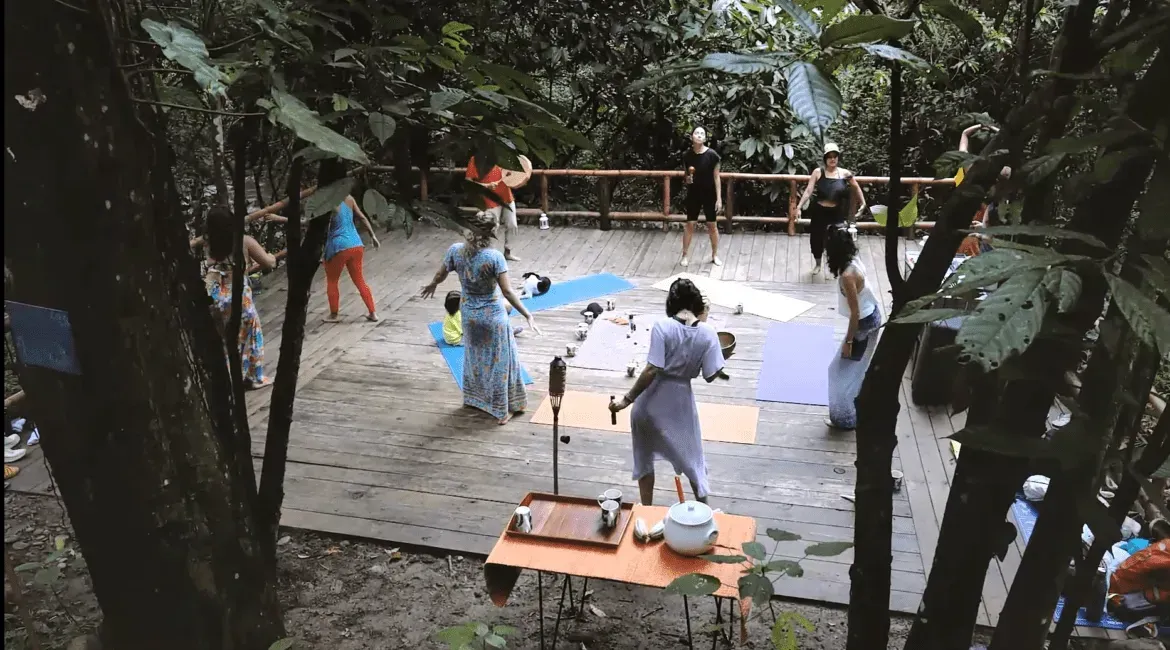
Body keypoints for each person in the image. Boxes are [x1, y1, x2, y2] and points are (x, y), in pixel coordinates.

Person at [608, 278, 724, 505]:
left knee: (644, 459)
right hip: (680, 405)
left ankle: (647, 509)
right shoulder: (708, 333)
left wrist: (626, 400)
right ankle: (704, 511)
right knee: (693, 460)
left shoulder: (663, 327)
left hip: (649, 403)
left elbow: (653, 368)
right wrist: (722, 356)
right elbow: (711, 375)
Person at [421, 212, 541, 425]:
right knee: (500, 362)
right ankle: (503, 410)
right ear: (493, 231)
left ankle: (474, 399)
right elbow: (508, 291)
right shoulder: (494, 257)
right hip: (492, 317)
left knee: (475, 359)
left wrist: (433, 284)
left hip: (469, 314)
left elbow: (441, 274)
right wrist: (527, 313)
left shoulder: (456, 251)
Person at [203, 205, 277, 389]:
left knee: (228, 340)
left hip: (218, 298)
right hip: (239, 296)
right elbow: (268, 263)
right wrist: (271, 256)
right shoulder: (243, 242)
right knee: (252, 335)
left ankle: (229, 379)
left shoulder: (208, 245)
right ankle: (253, 377)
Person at [824, 226, 882, 430]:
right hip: (871, 316)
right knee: (854, 370)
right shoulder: (854, 259)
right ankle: (855, 411)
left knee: (839, 373)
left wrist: (849, 342)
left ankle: (846, 419)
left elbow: (855, 313)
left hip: (864, 325)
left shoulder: (847, 277)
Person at [795, 143, 866, 276]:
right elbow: (809, 190)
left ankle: (837, 267)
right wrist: (799, 207)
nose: (832, 159)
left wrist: (863, 203)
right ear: (825, 158)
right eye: (829, 157)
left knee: (838, 239)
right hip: (820, 211)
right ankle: (817, 264)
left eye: (835, 156)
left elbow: (856, 187)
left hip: (836, 212)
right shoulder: (818, 172)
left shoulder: (845, 173)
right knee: (816, 238)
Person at [324, 194, 380, 323]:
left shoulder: (327, 201)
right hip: (356, 244)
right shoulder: (349, 198)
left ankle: (333, 315)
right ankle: (373, 313)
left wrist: (280, 219)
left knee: (332, 281)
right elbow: (362, 217)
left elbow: (308, 222)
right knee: (360, 280)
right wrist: (373, 236)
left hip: (339, 246)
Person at [680, 126, 722, 268]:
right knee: (690, 224)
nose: (699, 135)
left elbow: (717, 178)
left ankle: (715, 255)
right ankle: (685, 255)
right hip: (693, 194)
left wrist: (719, 198)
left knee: (712, 225)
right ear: (692, 136)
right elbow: (686, 176)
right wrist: (688, 180)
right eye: (696, 133)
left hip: (709, 194)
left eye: (702, 133)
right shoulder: (687, 156)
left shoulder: (712, 155)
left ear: (705, 138)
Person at [466, 156, 521, 262]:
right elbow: (468, 181)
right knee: (492, 226)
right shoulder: (475, 159)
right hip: (489, 198)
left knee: (512, 224)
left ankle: (508, 252)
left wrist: (511, 175)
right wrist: (486, 186)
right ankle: (488, 253)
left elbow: (514, 173)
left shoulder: (502, 155)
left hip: (506, 197)